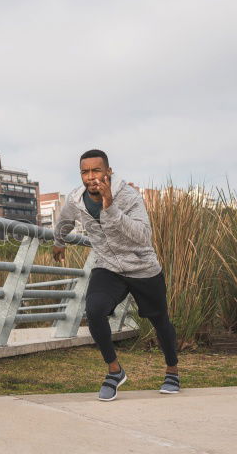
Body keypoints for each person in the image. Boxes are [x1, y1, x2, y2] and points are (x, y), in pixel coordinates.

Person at [52, 149, 180, 400]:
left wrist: (110, 208)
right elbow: (65, 221)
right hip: (108, 266)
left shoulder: (129, 196)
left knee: (159, 320)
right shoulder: (76, 199)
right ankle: (114, 370)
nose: (91, 177)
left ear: (108, 171)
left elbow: (143, 236)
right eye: (85, 172)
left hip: (142, 267)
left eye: (96, 170)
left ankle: (172, 371)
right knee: (95, 310)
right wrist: (59, 241)